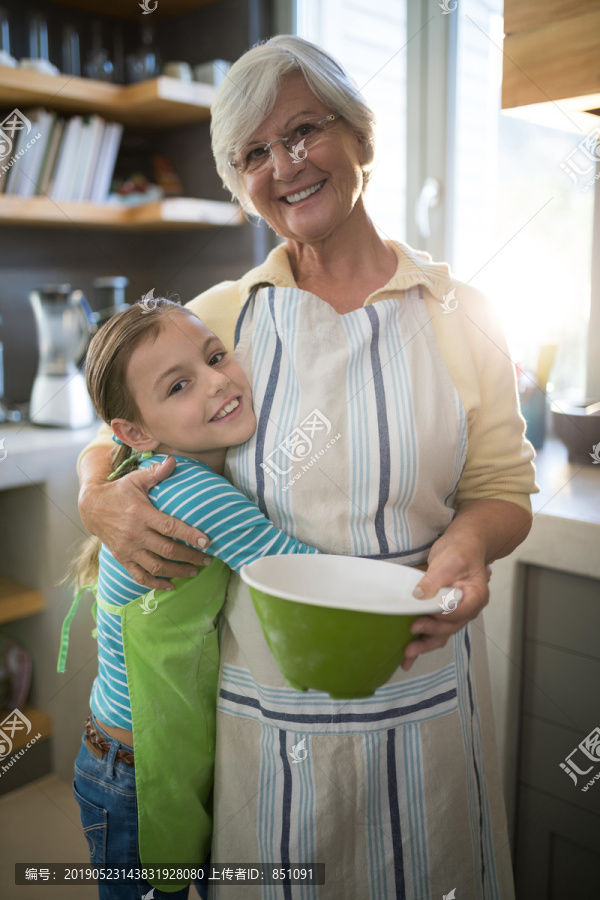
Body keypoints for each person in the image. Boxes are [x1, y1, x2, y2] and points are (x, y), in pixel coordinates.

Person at [77, 35, 539, 900]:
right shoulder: (222, 317)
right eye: (254, 152)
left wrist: (471, 544)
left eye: (303, 131)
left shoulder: (462, 313)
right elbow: (122, 427)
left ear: (360, 137)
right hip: (265, 710)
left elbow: (503, 490)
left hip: (423, 686)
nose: (284, 165)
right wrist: (94, 496)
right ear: (239, 181)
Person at [63, 298, 319, 900]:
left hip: (128, 756)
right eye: (180, 385)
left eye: (215, 356)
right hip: (134, 773)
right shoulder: (194, 492)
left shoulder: (162, 464)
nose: (218, 382)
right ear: (135, 432)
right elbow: (295, 573)